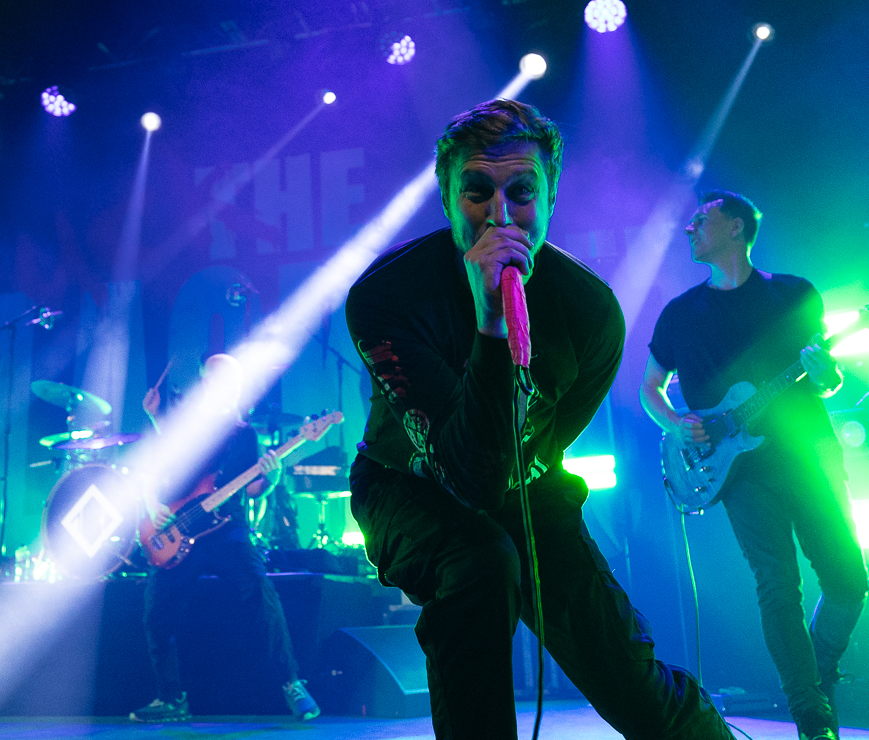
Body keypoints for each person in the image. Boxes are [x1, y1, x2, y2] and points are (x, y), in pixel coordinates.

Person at [347, 99, 730, 739]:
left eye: (522, 192)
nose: (500, 215)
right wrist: (491, 323)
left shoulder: (590, 313)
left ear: (550, 196)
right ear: (447, 200)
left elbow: (537, 448)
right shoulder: (387, 296)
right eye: (477, 191)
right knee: (479, 562)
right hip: (405, 486)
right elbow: (468, 477)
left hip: (525, 480)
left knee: (624, 672)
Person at [641, 191, 865, 740]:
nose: (690, 227)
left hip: (807, 453)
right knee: (777, 585)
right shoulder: (679, 314)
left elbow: (829, 382)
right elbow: (650, 388)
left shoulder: (794, 294)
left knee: (848, 578)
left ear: (736, 227)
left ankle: (818, 672)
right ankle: (811, 715)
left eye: (702, 218)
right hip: (740, 473)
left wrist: (824, 372)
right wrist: (677, 423)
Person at [129, 353, 320, 723]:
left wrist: (272, 477)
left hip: (226, 530)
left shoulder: (244, 435)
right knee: (156, 608)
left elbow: (253, 489)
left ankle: (292, 683)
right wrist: (153, 506)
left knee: (261, 593)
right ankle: (170, 698)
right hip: (178, 529)